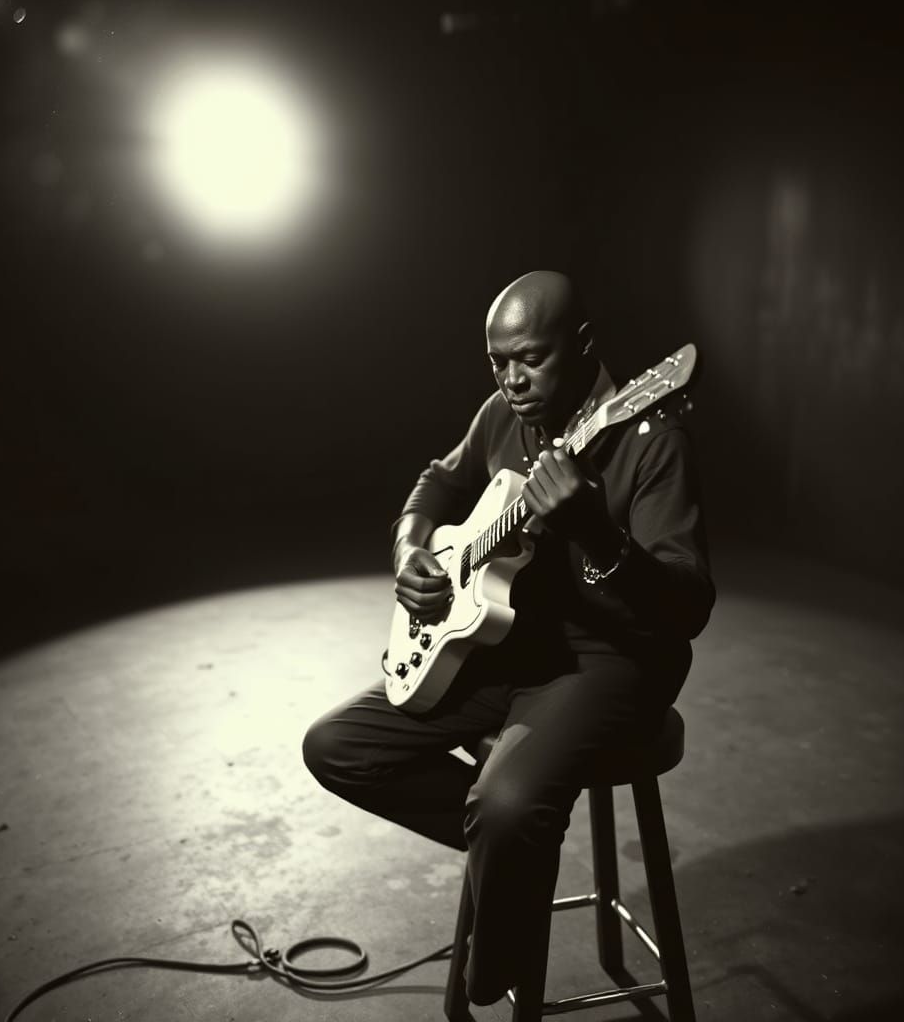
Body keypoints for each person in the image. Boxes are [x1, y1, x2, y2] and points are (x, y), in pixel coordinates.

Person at [302, 270, 715, 1005]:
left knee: (507, 805)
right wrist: (411, 554)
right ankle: (514, 851)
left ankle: (506, 885)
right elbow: (436, 486)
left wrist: (593, 530)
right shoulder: (503, 416)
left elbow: (684, 612)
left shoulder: (651, 437)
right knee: (338, 748)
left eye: (530, 358)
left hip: (611, 661)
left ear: (582, 345)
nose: (513, 379)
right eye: (499, 362)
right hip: (510, 645)